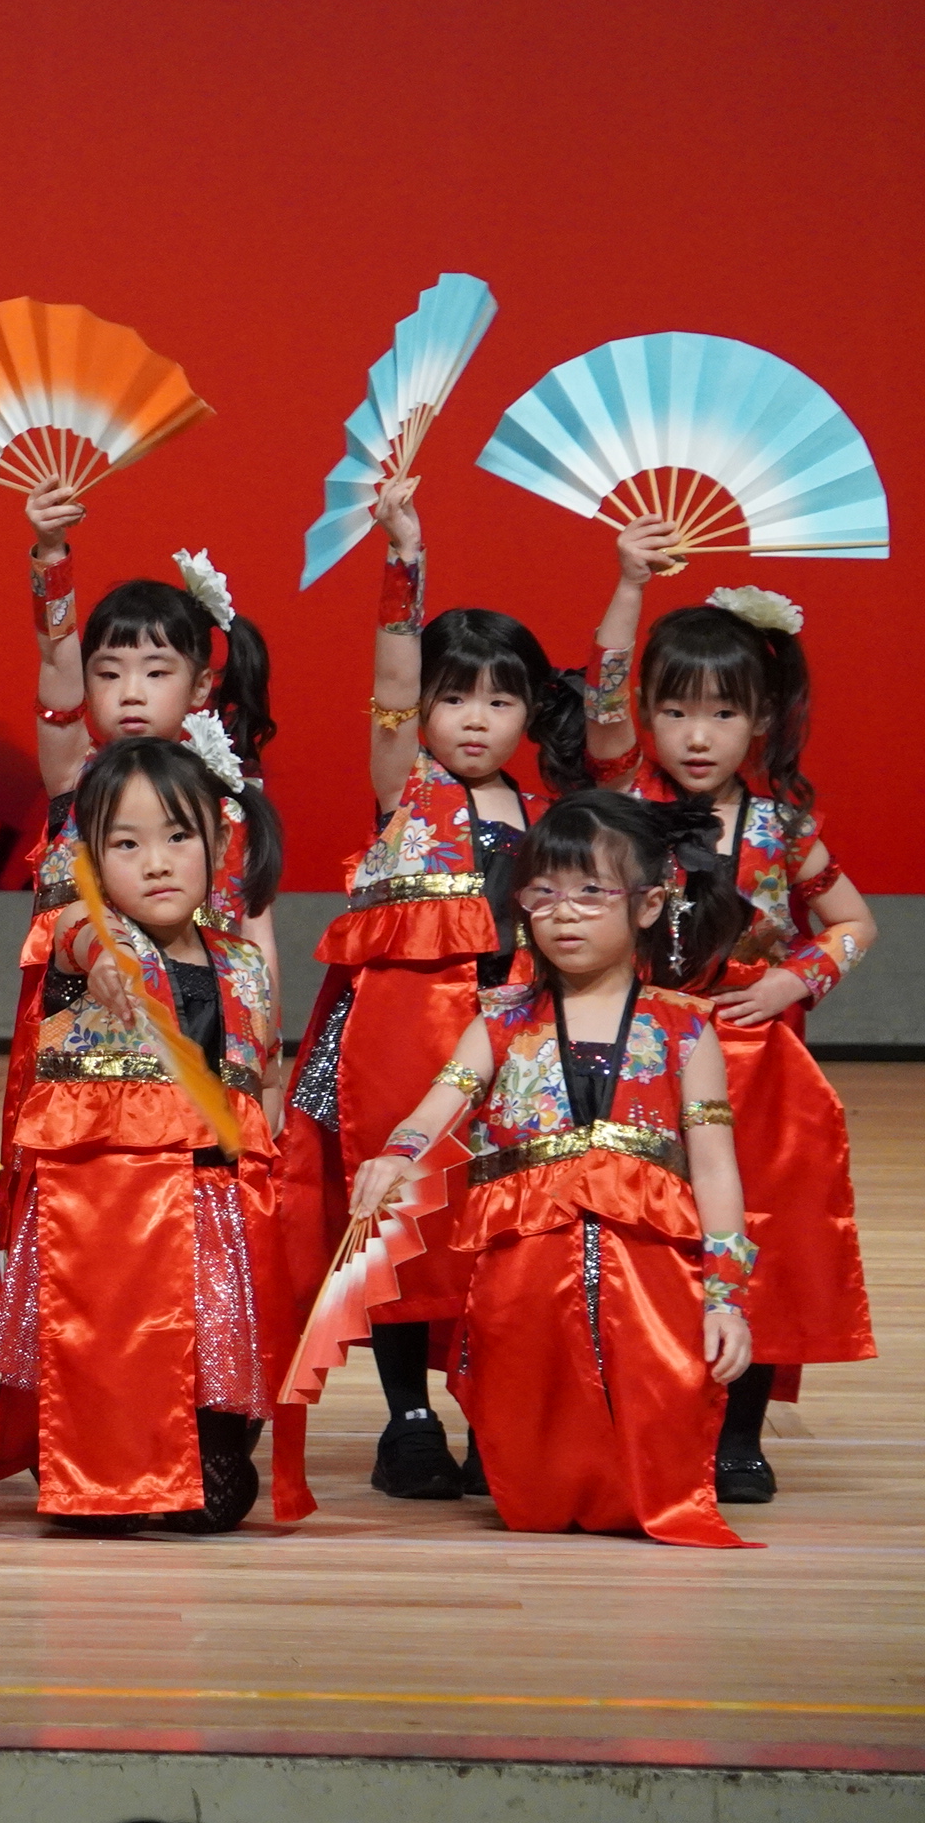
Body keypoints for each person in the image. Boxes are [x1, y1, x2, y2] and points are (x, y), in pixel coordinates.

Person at [272, 479, 590, 1507]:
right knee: (401, 1219)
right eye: (453, 696)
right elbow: (390, 682)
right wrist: (403, 561)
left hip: (513, 1048)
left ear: (529, 710)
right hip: (400, 1044)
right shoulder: (405, 789)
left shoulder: (550, 814)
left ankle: (493, 1409)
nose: (474, 718)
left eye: (500, 699)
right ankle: (407, 1417)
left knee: (492, 1226)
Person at [350, 790, 755, 1547]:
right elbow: (440, 1104)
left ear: (649, 904)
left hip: (653, 1271)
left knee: (655, 1407)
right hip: (522, 1270)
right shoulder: (501, 1016)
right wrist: (397, 1153)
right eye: (543, 894)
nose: (564, 914)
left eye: (591, 892)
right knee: (528, 1445)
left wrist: (727, 1295)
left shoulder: (682, 1026)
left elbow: (716, 1168)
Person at [582, 531, 878, 1502]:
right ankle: (636, 1408)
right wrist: (629, 582)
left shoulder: (782, 828)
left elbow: (854, 924)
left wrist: (794, 980)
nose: (696, 736)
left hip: (754, 1065)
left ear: (759, 719)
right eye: (674, 711)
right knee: (636, 1228)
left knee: (757, 1233)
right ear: (646, 713)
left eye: (721, 712)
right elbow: (599, 692)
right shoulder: (623, 799)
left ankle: (738, 1433)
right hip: (636, 1054)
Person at [0, 733, 283, 1533]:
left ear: (219, 842)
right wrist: (103, 962)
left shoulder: (243, 965)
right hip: (104, 1221)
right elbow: (82, 941)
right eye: (125, 845)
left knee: (216, 1503)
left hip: (210, 1212)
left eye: (177, 836)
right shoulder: (80, 933)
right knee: (103, 1475)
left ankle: (197, 1442)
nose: (155, 863)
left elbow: (254, 1080)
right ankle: (94, 1466)